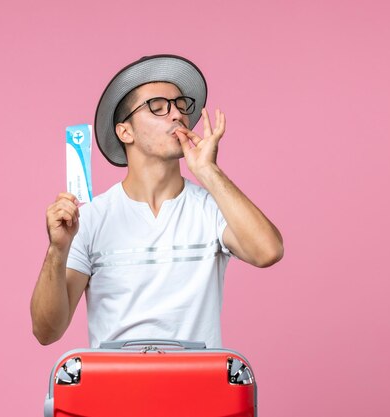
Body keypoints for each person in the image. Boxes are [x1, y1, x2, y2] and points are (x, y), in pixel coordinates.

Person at [30, 54, 283, 348]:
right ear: (125, 131)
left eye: (180, 105)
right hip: (116, 390)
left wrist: (207, 171)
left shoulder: (210, 209)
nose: (176, 115)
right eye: (158, 107)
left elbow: (268, 251)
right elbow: (46, 331)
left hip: (198, 388)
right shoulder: (91, 219)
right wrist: (57, 249)